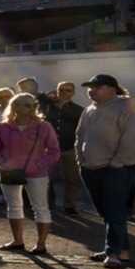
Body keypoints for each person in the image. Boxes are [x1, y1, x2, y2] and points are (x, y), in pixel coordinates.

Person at [76, 74, 135, 269]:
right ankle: (121, 251)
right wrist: (80, 159)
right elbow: (79, 135)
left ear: (113, 88)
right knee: (107, 212)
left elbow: (134, 137)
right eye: (90, 87)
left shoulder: (127, 106)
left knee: (115, 211)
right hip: (90, 168)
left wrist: (117, 162)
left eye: (97, 87)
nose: (91, 90)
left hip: (117, 169)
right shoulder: (89, 110)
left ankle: (113, 253)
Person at [0, 93, 61, 254]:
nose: (31, 108)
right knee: (14, 207)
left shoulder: (44, 126)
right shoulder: (4, 126)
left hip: (37, 174)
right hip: (10, 172)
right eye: (26, 104)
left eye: (32, 105)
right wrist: (3, 163)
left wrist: (39, 164)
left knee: (40, 208)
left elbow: (54, 151)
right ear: (15, 106)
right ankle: (17, 241)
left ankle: (41, 245)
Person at [44, 82, 85, 215]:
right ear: (57, 91)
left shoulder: (78, 110)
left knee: (72, 178)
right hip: (49, 149)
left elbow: (83, 130)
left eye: (68, 90)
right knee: (47, 178)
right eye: (61, 90)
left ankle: (70, 205)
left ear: (72, 93)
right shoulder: (47, 107)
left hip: (70, 147)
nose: (64, 92)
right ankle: (48, 204)